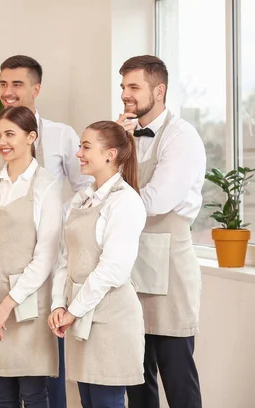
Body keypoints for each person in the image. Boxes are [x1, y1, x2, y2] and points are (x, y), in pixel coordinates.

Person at [0, 54, 92, 408]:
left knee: (44, 376)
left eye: (16, 84)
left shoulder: (61, 136)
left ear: (36, 89)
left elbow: (85, 186)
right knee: (3, 386)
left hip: (42, 274)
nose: (8, 91)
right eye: (3, 83)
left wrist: (53, 220)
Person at [116, 55, 206, 408]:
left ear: (159, 89)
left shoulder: (182, 136)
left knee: (178, 376)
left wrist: (113, 197)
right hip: (129, 267)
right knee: (136, 379)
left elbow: (154, 201)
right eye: (123, 86)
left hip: (169, 270)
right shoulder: (123, 135)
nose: (125, 94)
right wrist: (116, 146)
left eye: (133, 87)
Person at [0, 106, 62, 407]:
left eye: (10, 134)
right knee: (1, 391)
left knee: (33, 391)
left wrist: (5, 307)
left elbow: (45, 258)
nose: (2, 141)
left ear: (31, 137)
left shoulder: (47, 187)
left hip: (27, 303)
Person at [49, 120, 146, 408]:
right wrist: (58, 305)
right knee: (88, 402)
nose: (78, 153)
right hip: (80, 318)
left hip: (110, 321)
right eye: (80, 146)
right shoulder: (82, 199)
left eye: (86, 146)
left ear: (110, 154)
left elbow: (112, 270)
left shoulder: (126, 202)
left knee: (106, 401)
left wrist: (72, 311)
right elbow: (65, 258)